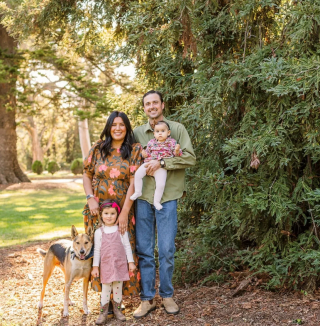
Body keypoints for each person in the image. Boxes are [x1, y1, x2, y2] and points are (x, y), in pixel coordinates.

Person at [132, 90, 196, 319]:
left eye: (155, 103)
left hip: (167, 197)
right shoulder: (137, 133)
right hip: (142, 199)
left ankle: (167, 295)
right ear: (144, 108)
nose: (151, 106)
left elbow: (190, 157)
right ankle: (147, 299)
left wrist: (162, 162)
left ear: (162, 105)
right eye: (147, 104)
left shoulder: (176, 129)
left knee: (167, 249)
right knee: (145, 251)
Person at [82, 111, 143, 298]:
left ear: (127, 128)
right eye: (114, 124)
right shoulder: (98, 148)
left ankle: (118, 299)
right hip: (98, 210)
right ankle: (104, 300)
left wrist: (124, 212)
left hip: (123, 208)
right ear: (108, 127)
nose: (117, 128)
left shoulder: (134, 150)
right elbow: (86, 173)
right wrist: (90, 197)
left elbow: (134, 181)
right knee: (101, 251)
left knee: (121, 250)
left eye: (122, 125)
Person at [92, 199, 136, 324]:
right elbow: (97, 250)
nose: (109, 216)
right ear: (101, 215)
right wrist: (95, 267)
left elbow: (127, 247)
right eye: (106, 213)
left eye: (112, 213)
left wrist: (130, 262)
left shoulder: (121, 230)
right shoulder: (99, 232)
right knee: (106, 288)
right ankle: (103, 312)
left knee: (117, 287)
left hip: (120, 264)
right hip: (106, 265)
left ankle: (117, 310)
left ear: (117, 214)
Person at [130, 120, 182, 210]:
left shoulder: (171, 142)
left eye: (163, 131)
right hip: (148, 163)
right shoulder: (151, 142)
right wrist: (144, 154)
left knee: (161, 184)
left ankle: (156, 201)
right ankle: (138, 191)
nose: (160, 133)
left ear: (168, 132)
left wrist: (177, 150)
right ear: (154, 133)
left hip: (162, 167)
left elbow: (176, 155)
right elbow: (147, 153)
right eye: (157, 131)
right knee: (138, 174)